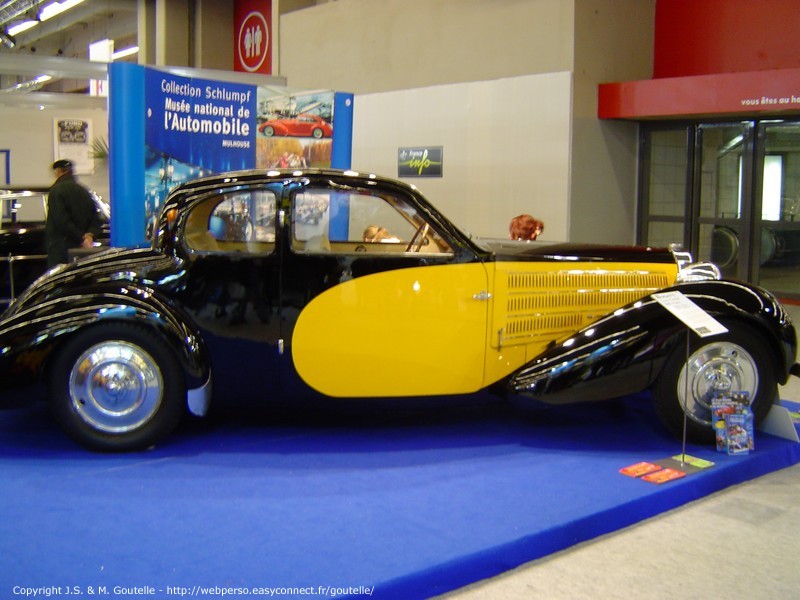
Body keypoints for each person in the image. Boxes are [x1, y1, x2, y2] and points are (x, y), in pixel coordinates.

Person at [46, 159, 102, 267]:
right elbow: (95, 218)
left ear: (58, 171)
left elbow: (61, 221)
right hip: (83, 249)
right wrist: (89, 236)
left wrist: (80, 237)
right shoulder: (83, 190)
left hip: (61, 248)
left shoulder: (56, 191)